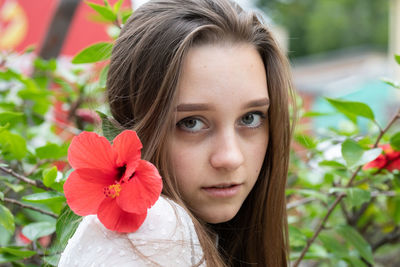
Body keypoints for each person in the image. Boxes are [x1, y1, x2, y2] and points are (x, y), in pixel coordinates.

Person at [59, 0, 295, 266]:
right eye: (191, 123)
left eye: (250, 118)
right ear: (133, 122)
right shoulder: (158, 227)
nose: (230, 158)